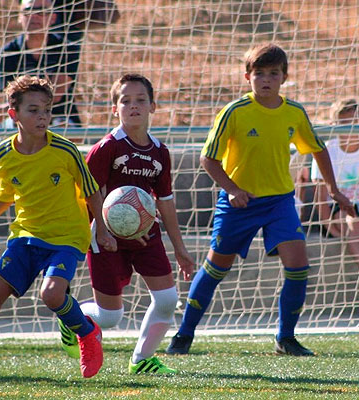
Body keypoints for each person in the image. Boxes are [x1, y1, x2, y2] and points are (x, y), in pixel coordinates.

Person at [165, 43, 356, 357]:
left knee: (298, 266)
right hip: (239, 204)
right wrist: (233, 189)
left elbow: (318, 149)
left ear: (284, 77)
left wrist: (333, 189)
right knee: (216, 268)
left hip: (280, 202)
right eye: (259, 74)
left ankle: (286, 338)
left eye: (273, 73)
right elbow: (208, 159)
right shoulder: (234, 112)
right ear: (247, 77)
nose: (266, 79)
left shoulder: (294, 112)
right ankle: (184, 334)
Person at [0, 75, 118, 386]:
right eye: (34, 110)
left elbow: (92, 191)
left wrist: (101, 230)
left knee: (51, 294)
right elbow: (4, 196)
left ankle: (87, 333)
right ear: (14, 115)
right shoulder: (4, 155)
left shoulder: (66, 151)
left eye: (47, 110)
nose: (42, 117)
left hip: (67, 237)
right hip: (25, 237)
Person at [57, 74, 194, 375]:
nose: (134, 106)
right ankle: (71, 317)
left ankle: (142, 359)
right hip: (106, 239)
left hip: (146, 236)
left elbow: (165, 201)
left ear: (153, 106)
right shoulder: (107, 147)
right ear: (114, 108)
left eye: (141, 100)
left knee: (168, 299)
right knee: (109, 317)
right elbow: (87, 195)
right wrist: (103, 231)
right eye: (126, 101)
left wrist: (180, 249)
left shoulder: (160, 152)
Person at [0, 0, 82, 128]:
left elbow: (56, 95)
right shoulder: (6, 53)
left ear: (53, 18)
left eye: (42, 12)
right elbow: (11, 97)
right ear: (19, 16)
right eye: (28, 11)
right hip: (22, 117)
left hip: (60, 116)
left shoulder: (67, 49)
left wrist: (23, 91)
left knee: (63, 130)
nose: (34, 16)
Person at [311, 98, 359, 263]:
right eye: (345, 123)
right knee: (350, 221)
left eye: (355, 122)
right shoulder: (326, 151)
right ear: (335, 124)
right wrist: (332, 230)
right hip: (338, 207)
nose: (351, 129)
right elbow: (320, 200)